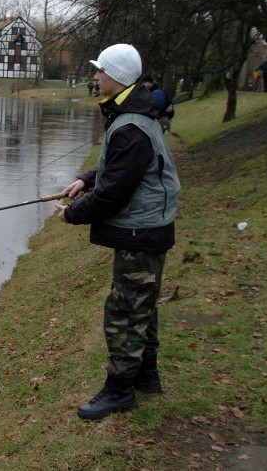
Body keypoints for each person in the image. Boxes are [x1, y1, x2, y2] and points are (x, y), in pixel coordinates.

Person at [55, 43, 181, 420]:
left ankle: (119, 391)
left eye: (100, 71)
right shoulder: (132, 110)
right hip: (147, 229)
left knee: (125, 311)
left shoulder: (131, 123)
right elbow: (119, 168)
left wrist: (72, 215)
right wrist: (85, 178)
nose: (95, 76)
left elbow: (114, 193)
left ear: (116, 76)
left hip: (140, 232)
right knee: (142, 306)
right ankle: (147, 376)